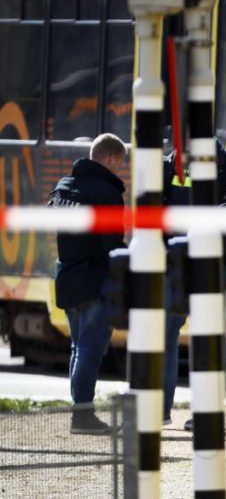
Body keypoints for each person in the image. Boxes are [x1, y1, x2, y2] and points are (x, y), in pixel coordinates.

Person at [162, 135, 226, 427]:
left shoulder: (172, 162)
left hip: (175, 261)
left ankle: (160, 410)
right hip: (210, 261)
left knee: (166, 336)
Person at [50, 133, 128, 434]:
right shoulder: (106, 192)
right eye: (118, 164)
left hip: (67, 276)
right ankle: (82, 416)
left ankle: (79, 411)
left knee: (77, 348)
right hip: (95, 280)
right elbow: (112, 244)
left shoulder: (63, 187)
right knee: (90, 350)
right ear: (110, 158)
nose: (117, 170)